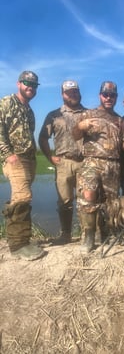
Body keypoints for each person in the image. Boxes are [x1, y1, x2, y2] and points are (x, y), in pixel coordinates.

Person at [72, 81, 124, 254]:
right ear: (100, 95)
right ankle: (88, 237)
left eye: (113, 95)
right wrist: (81, 126)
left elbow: (123, 144)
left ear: (116, 98)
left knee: (109, 203)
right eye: (106, 94)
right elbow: (75, 134)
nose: (109, 98)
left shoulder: (119, 121)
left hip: (113, 166)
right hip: (92, 162)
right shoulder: (88, 114)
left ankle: (104, 234)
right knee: (88, 197)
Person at [0, 71, 45, 260]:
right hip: (14, 158)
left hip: (29, 159)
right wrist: (7, 153)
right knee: (22, 197)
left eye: (34, 85)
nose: (31, 87)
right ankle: (18, 246)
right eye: (27, 83)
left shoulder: (29, 111)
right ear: (19, 83)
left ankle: (22, 239)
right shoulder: (7, 102)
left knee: (22, 198)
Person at [38, 80, 86, 245]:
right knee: (64, 201)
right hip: (63, 163)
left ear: (79, 93)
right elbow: (43, 138)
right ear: (62, 94)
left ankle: (87, 234)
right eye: (69, 92)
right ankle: (66, 235)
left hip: (84, 163)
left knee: (86, 201)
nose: (73, 94)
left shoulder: (89, 113)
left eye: (75, 91)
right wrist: (50, 158)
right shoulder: (54, 115)